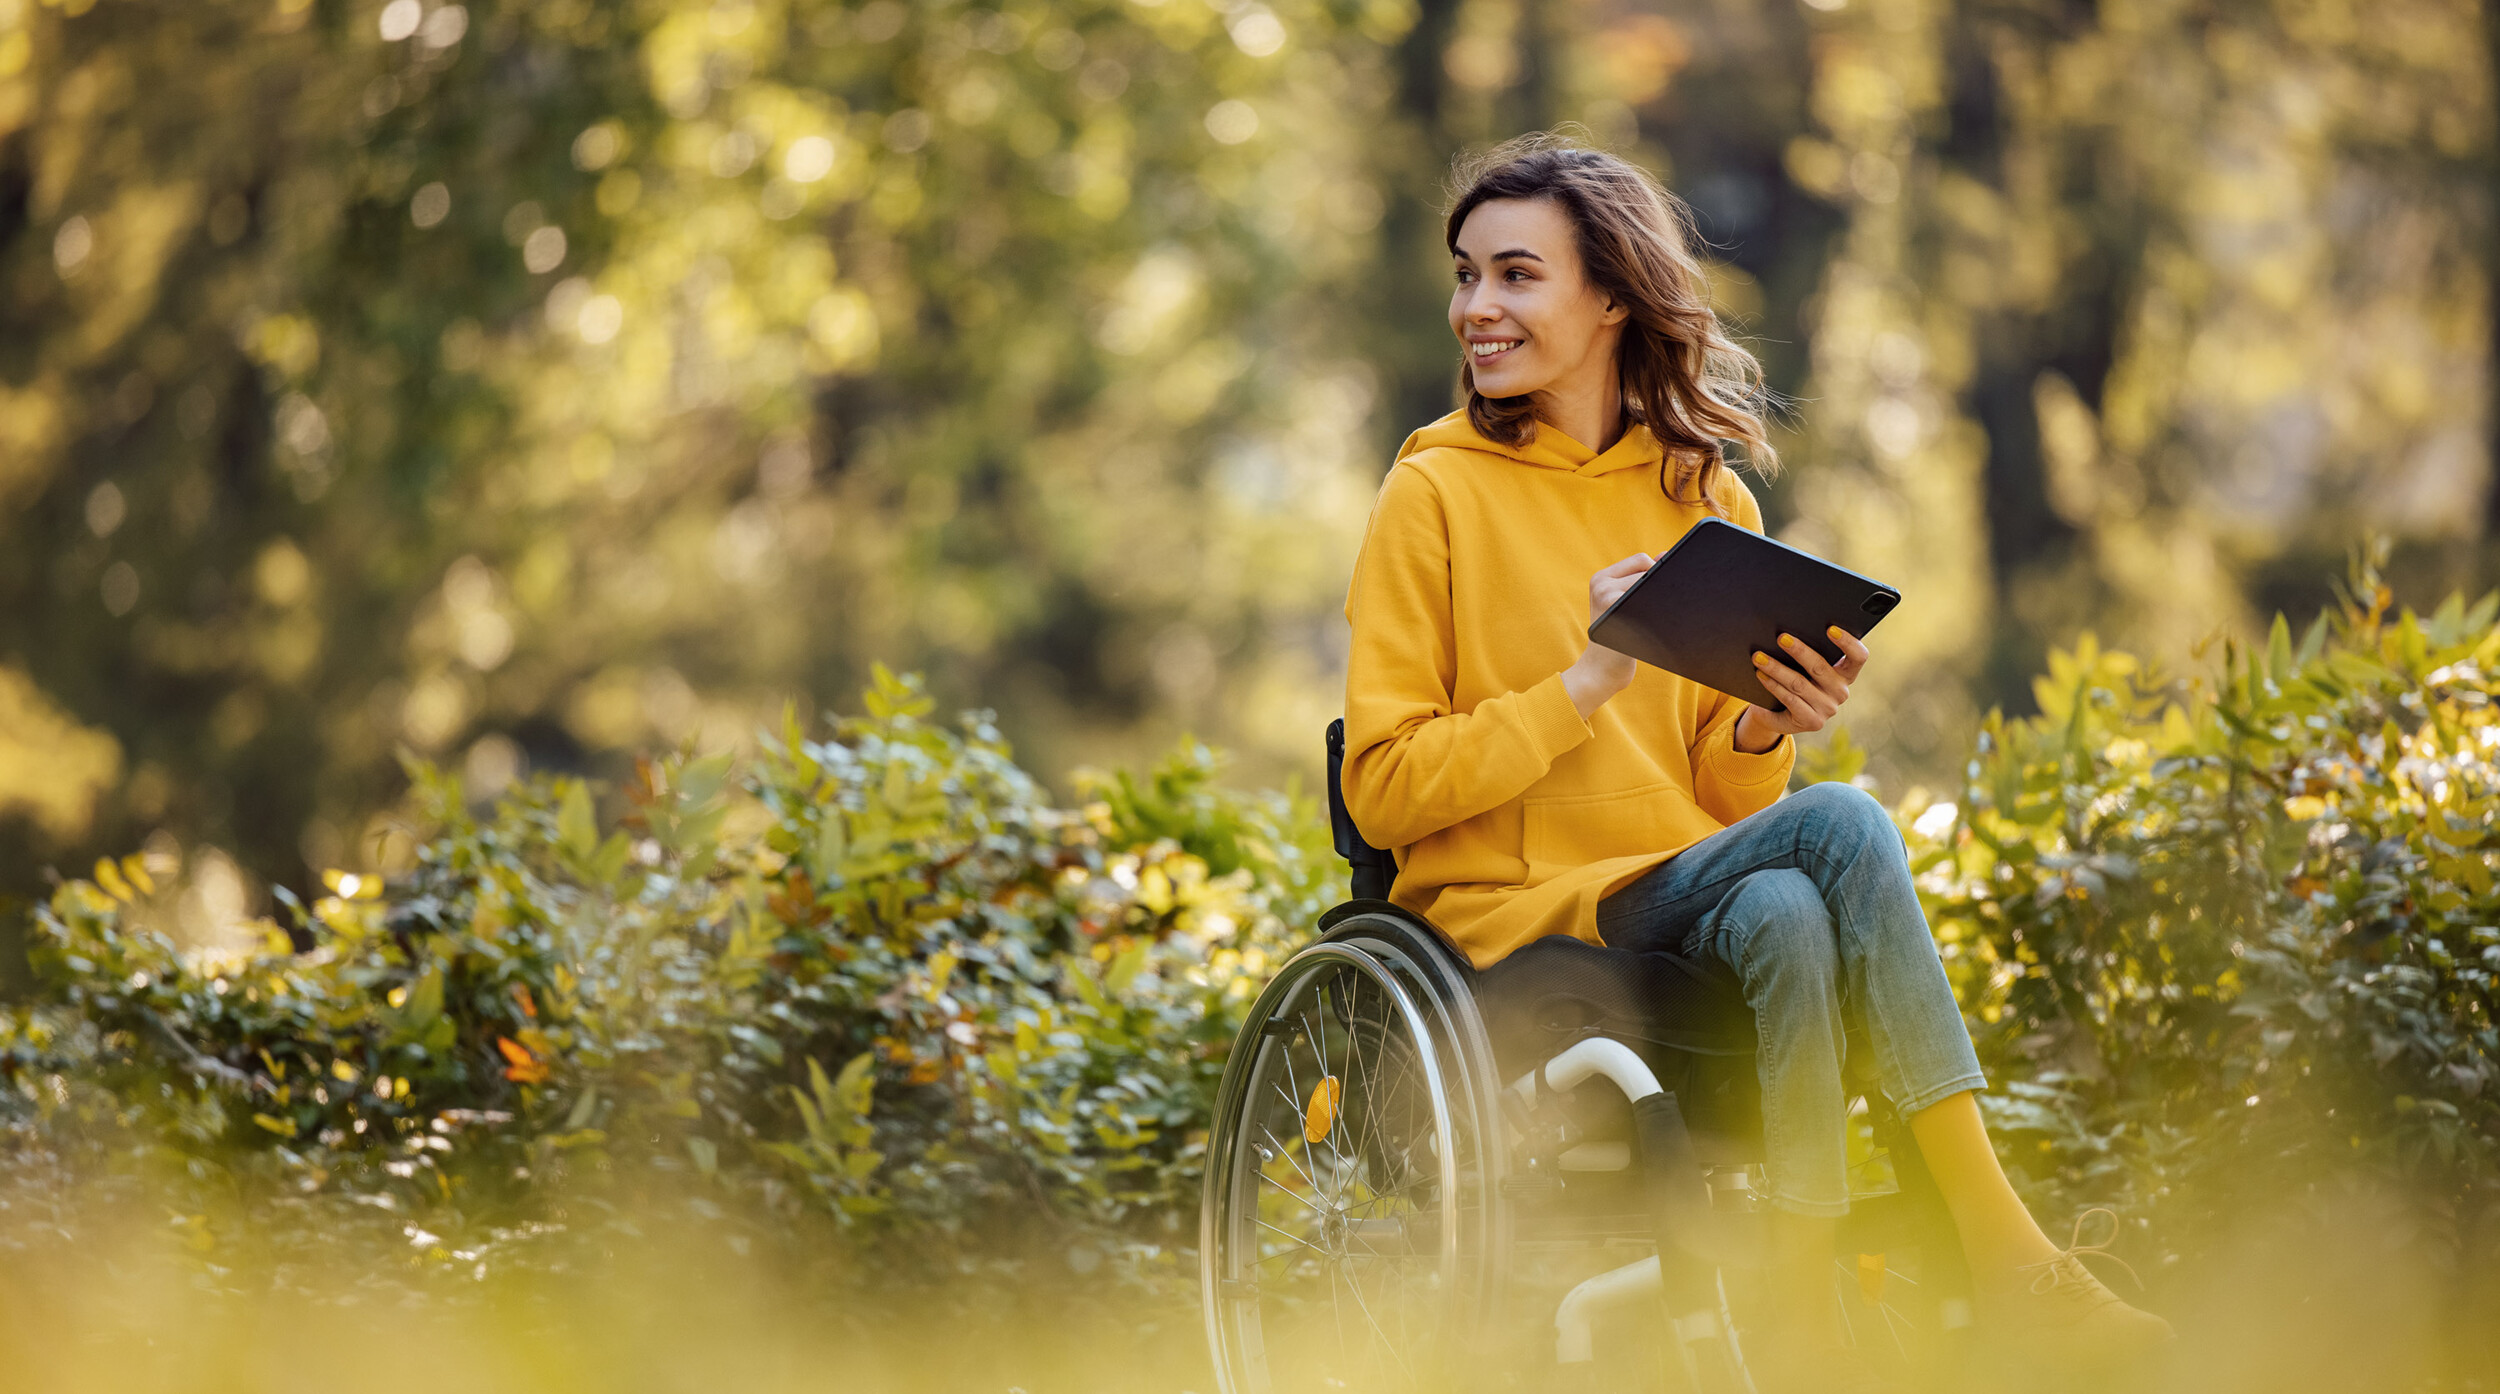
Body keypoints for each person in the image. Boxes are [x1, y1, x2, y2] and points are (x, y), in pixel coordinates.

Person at [1338, 133, 2172, 1391]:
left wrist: (1764, 726)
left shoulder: (1709, 502)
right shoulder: (1433, 492)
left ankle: (1798, 1319)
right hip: (1508, 917)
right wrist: (1584, 681)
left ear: (1610, 297)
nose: (1476, 308)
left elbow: (1718, 799)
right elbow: (1384, 788)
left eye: (1516, 274)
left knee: (1783, 898)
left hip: (1669, 887)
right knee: (1846, 828)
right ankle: (2009, 1250)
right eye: (1467, 274)